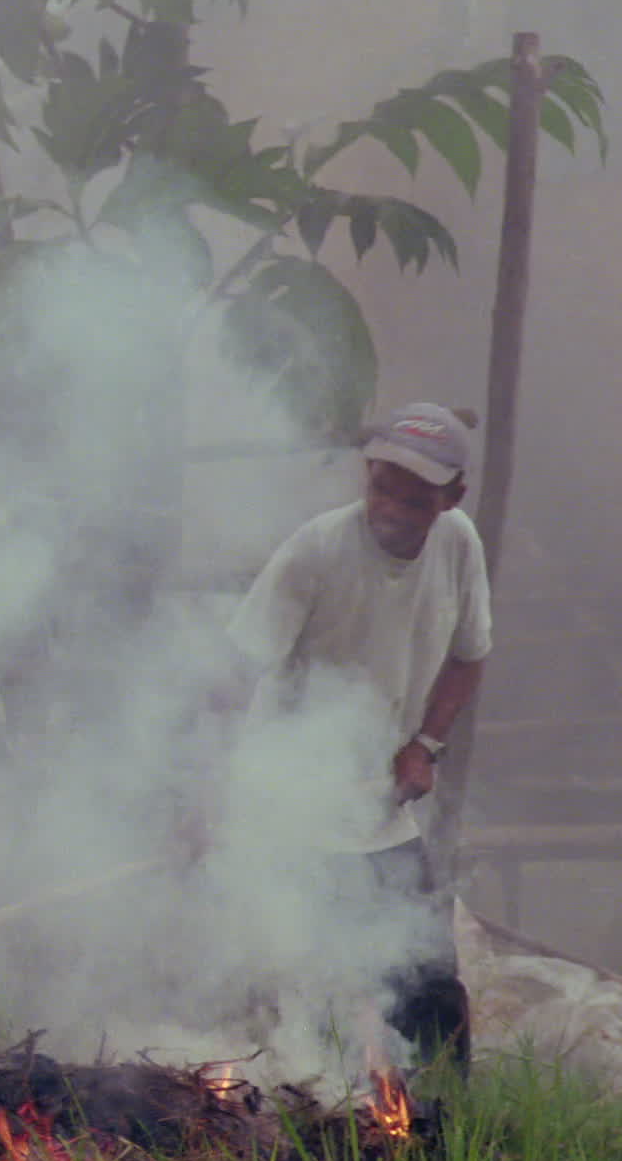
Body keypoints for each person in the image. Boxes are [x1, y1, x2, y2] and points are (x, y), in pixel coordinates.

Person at [199, 402, 492, 1076]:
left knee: (427, 984)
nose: (390, 507)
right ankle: (261, 1110)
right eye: (381, 484)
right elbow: (233, 677)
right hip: (290, 807)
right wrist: (209, 795)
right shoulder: (316, 550)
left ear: (453, 498)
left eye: (414, 497)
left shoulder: (460, 545)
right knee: (281, 983)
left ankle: (441, 1131)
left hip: (381, 810)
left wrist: (426, 745)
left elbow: (471, 654)